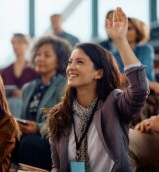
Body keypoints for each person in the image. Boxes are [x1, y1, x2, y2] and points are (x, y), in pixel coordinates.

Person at [44, 8, 149, 172]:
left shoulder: (114, 103)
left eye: (79, 62)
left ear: (99, 73)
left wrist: (121, 41)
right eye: (70, 62)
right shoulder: (59, 115)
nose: (71, 67)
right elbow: (57, 166)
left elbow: (140, 90)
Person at [14, 35, 72, 171]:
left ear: (59, 61)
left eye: (47, 55)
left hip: (53, 141)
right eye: (38, 55)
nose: (40, 59)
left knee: (29, 144)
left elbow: (64, 123)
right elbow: (22, 117)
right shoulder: (28, 88)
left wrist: (37, 128)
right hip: (27, 138)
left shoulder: (65, 85)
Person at [112, 17, 159, 94]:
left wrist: (125, 76)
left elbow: (144, 74)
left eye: (129, 28)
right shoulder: (115, 54)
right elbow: (118, 78)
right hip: (125, 92)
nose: (125, 31)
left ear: (137, 31)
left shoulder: (145, 49)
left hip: (147, 89)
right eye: (124, 28)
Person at [0, 33, 38, 117]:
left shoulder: (35, 70)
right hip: (8, 109)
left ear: (27, 45)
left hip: (28, 108)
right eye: (13, 43)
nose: (15, 46)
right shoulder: (5, 71)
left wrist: (23, 93)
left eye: (19, 42)